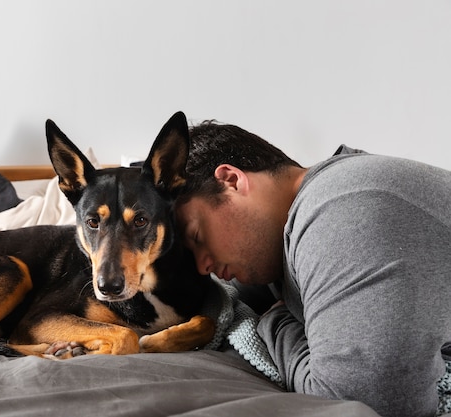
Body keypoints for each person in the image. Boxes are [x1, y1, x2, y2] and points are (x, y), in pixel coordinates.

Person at [175, 120, 451, 417]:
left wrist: (275, 322)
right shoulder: (279, 244)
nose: (204, 266)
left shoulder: (343, 211)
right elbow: (224, 301)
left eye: (197, 237)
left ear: (231, 180)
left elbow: (362, 404)